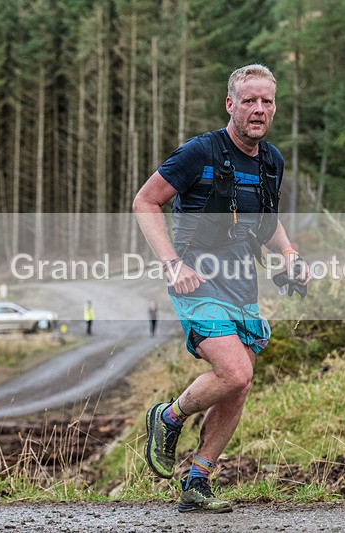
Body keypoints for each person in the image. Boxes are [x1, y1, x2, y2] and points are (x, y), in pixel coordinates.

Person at [133, 63, 310, 513]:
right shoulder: (200, 152)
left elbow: (267, 223)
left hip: (242, 282)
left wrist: (290, 255)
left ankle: (198, 481)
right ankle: (167, 417)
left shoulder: (272, 160)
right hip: (196, 278)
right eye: (249, 100)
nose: (258, 109)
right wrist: (171, 264)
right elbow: (145, 201)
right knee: (235, 372)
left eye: (266, 101)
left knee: (238, 387)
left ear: (274, 108)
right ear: (230, 104)